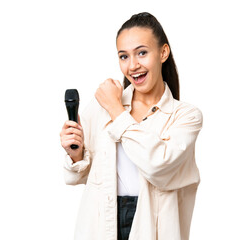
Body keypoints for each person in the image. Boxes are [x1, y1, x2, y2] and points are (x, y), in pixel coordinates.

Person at [60, 12, 203, 240]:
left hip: (152, 224)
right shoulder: (102, 106)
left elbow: (158, 166)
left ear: (163, 52)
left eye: (142, 53)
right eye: (124, 56)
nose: (133, 65)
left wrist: (117, 110)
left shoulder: (185, 116)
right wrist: (75, 153)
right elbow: (76, 177)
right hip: (103, 221)